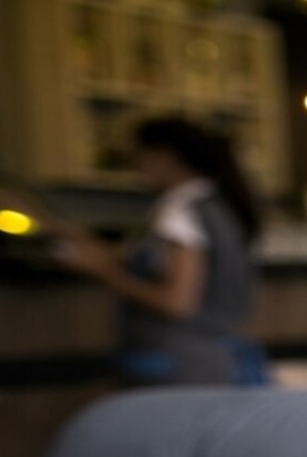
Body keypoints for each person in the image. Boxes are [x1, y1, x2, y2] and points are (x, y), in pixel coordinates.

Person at [36, 118, 266, 385]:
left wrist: (104, 271)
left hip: (180, 363)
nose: (135, 165)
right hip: (217, 359)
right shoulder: (216, 204)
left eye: (138, 155)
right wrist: (67, 232)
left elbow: (177, 302)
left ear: (164, 156)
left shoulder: (180, 209)